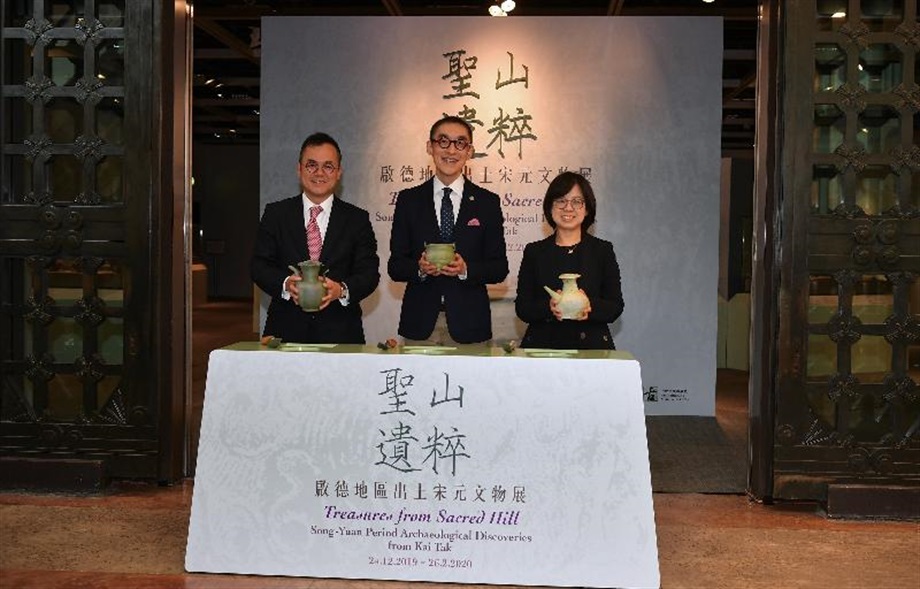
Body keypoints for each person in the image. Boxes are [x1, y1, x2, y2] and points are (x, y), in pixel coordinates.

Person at [388, 116, 508, 345]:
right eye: (443, 141)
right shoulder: (408, 200)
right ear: (429, 146)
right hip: (420, 325)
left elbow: (499, 268)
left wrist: (465, 269)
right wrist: (420, 268)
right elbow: (395, 266)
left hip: (470, 325)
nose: (451, 150)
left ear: (469, 151)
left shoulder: (487, 203)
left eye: (460, 143)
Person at [251, 132, 379, 344]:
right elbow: (258, 265)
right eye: (311, 165)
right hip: (285, 331)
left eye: (328, 166)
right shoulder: (276, 214)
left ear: (339, 172)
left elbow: (369, 273)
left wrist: (341, 290)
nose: (319, 173)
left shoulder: (357, 219)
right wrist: (285, 284)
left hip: (342, 333)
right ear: (299, 169)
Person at [515, 171, 624, 349]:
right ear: (549, 207)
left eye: (577, 201)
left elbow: (615, 306)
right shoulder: (534, 251)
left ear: (587, 208)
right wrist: (548, 307)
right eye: (561, 201)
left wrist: (590, 305)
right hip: (543, 349)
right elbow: (523, 308)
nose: (568, 208)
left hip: (591, 348)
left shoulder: (602, 250)